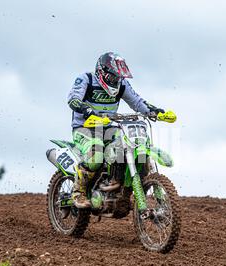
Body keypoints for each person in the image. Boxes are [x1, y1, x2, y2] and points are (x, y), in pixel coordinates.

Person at [67, 52, 166, 208]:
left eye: (118, 77)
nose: (115, 80)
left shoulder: (122, 85)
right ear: (101, 72)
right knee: (97, 155)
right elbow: (73, 99)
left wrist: (154, 111)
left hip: (109, 127)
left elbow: (137, 102)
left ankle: (119, 185)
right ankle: (78, 191)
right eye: (112, 77)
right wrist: (87, 110)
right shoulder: (86, 79)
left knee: (129, 146)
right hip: (84, 128)